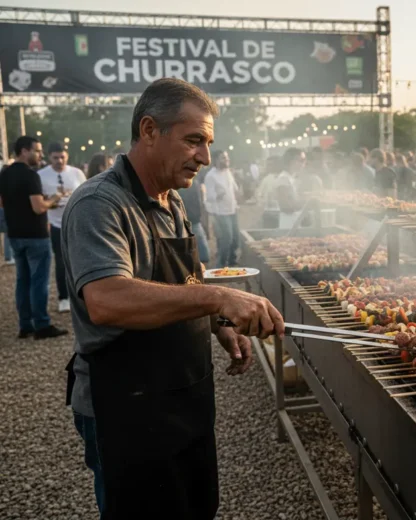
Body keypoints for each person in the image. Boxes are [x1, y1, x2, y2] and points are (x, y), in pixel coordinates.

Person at [61, 78, 285, 519]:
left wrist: (219, 326)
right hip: (124, 406)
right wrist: (217, 299)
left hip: (184, 395)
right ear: (149, 130)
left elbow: (185, 281)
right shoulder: (98, 203)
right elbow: (107, 299)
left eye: (207, 143)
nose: (204, 156)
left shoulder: (171, 200)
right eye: (193, 141)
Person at [0, 136, 68, 339]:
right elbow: (38, 207)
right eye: (36, 151)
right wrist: (54, 199)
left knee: (23, 280)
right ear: (24, 151)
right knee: (39, 281)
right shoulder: (31, 176)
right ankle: (42, 324)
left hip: (15, 234)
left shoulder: (5, 174)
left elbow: (3, 203)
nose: (40, 155)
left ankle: (25, 324)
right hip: (36, 235)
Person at [38, 142, 87, 312]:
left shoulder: (76, 173)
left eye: (62, 157)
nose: (59, 160)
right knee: (60, 261)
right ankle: (63, 297)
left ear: (67, 156)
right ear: (50, 157)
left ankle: (81, 296)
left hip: (76, 222)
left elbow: (85, 193)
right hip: (56, 224)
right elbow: (39, 200)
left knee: (80, 260)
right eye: (56, 157)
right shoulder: (42, 175)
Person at [204, 150, 240, 267]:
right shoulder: (211, 176)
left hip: (232, 209)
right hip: (220, 212)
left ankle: (232, 261)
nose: (226, 160)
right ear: (215, 160)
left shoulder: (228, 172)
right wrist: (218, 195)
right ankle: (221, 264)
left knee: (235, 238)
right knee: (227, 239)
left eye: (227, 157)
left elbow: (234, 187)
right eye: (223, 158)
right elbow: (209, 197)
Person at [177, 171, 210, 266]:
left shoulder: (196, 184)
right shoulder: (177, 186)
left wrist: (205, 224)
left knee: (204, 256)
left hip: (195, 222)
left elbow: (201, 205)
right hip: (182, 223)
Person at [275, 147, 308, 229]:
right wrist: (306, 202)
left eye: (304, 161)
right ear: (290, 161)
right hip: (288, 225)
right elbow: (285, 207)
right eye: (300, 160)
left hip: (294, 223)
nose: (303, 164)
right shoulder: (283, 179)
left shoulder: (291, 178)